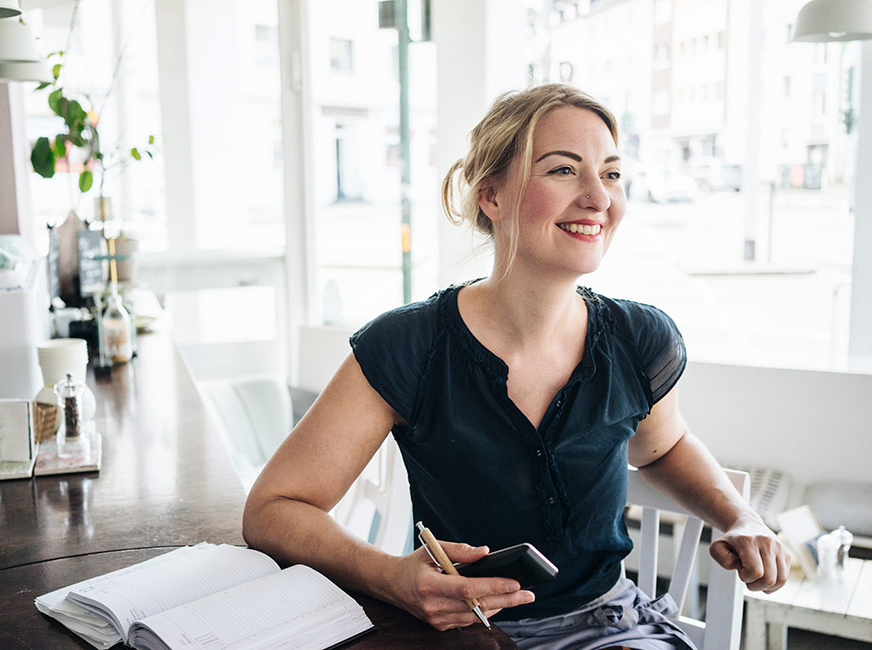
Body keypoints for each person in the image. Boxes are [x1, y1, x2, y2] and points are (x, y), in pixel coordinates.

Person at [243, 83, 789, 650]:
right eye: (562, 170)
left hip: (610, 629)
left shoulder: (638, 339)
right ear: (492, 197)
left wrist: (740, 516)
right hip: (463, 632)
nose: (598, 198)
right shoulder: (408, 346)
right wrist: (391, 577)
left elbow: (665, 446)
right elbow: (273, 510)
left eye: (611, 173)